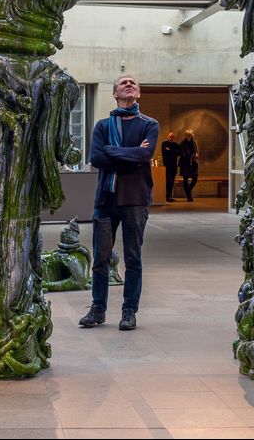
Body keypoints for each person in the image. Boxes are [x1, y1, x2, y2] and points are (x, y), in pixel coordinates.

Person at [81, 75, 159, 331]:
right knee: (101, 259)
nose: (129, 84)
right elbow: (96, 158)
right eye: (123, 83)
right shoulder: (103, 126)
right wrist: (131, 154)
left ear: (138, 93)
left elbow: (145, 154)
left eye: (133, 83)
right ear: (115, 94)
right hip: (105, 200)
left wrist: (112, 151)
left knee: (133, 258)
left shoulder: (149, 124)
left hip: (135, 199)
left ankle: (129, 312)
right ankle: (98, 309)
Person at [161, 131, 181, 202]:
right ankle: (168, 196)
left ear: (174, 138)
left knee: (172, 180)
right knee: (169, 180)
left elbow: (180, 153)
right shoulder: (164, 144)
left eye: (172, 137)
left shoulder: (176, 144)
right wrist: (174, 152)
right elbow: (165, 151)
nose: (171, 138)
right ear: (168, 137)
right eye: (170, 137)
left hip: (174, 165)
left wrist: (170, 151)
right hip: (167, 165)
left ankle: (169, 196)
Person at [180, 130, 200, 202]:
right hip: (185, 163)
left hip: (193, 163)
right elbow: (182, 153)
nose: (187, 137)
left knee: (195, 178)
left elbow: (196, 151)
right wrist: (188, 157)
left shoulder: (194, 143)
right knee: (185, 179)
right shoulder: (182, 143)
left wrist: (196, 155)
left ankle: (188, 191)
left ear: (191, 136)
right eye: (186, 135)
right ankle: (189, 195)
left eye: (189, 135)